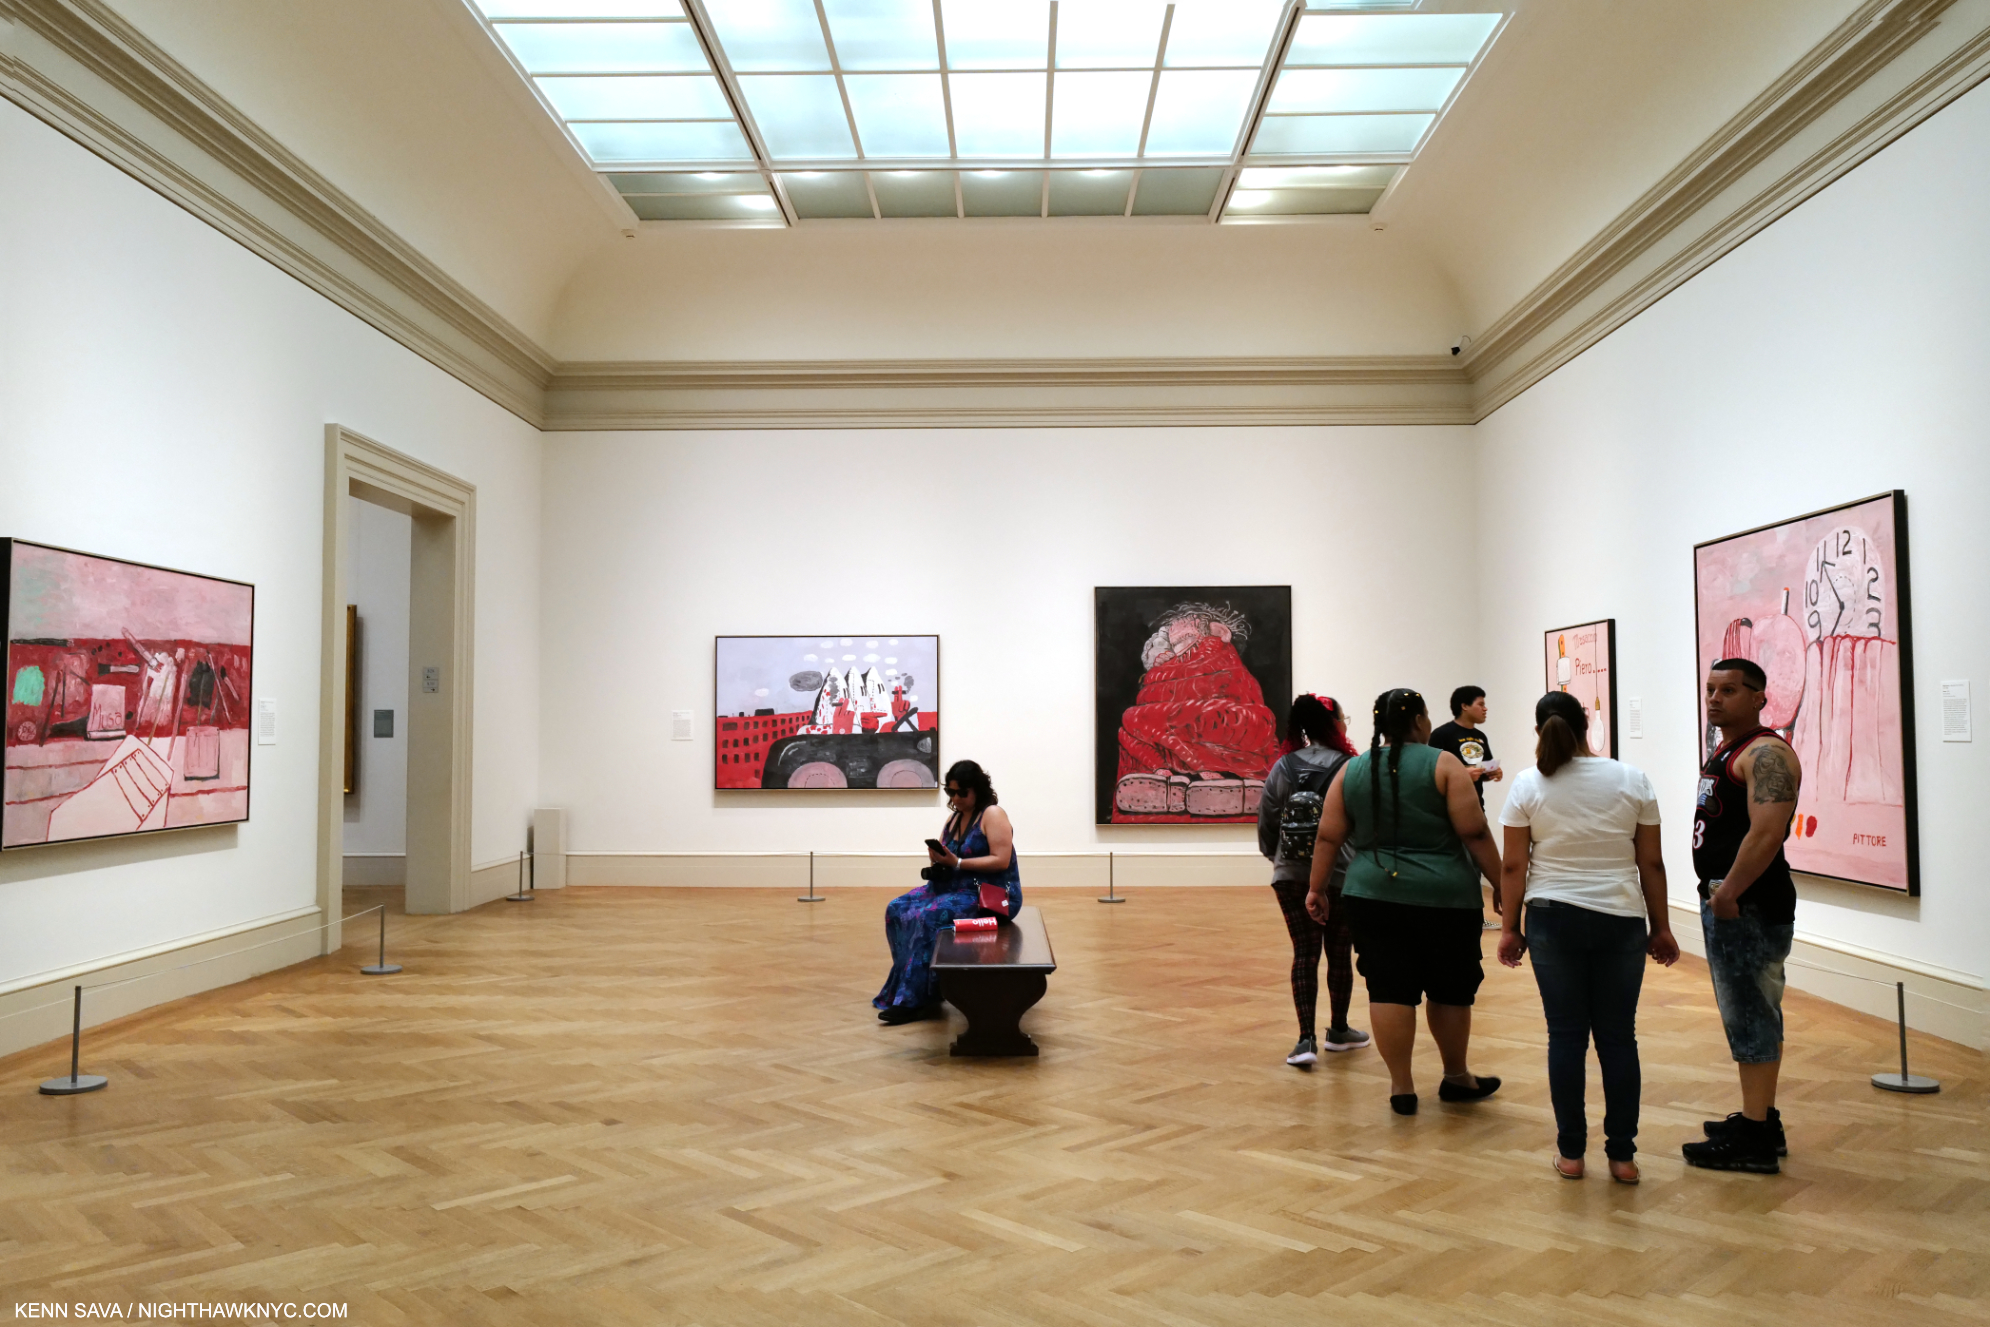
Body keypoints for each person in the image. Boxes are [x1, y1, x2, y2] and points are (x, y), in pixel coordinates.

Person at [1497, 692, 1680, 1184]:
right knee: (1619, 1037)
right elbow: (1651, 863)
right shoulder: (1631, 778)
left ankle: (1572, 1154)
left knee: (1566, 1036)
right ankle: (1622, 1157)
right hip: (1620, 919)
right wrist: (1661, 927)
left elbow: (1514, 865)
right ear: (1587, 727)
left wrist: (1510, 927)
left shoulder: (1527, 784)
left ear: (1540, 731)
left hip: (1553, 919)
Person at [1305, 688, 1503, 1115]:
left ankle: (1402, 1087)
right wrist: (1501, 883)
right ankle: (1455, 1077)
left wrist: (1316, 888)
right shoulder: (1443, 763)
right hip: (1445, 897)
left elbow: (1328, 835)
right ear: (1417, 721)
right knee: (1450, 988)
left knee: (1389, 987)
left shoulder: (1354, 769)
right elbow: (1475, 832)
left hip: (1371, 895)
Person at [1681, 658, 1801, 1174]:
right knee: (1746, 1013)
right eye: (1711, 689)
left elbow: (1767, 832)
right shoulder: (1730, 749)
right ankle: (1761, 1120)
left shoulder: (1767, 752)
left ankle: (1754, 1139)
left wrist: (1729, 892)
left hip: (1747, 906)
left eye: (1728, 690)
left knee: (1751, 1016)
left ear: (1758, 697)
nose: (1714, 698)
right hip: (1732, 903)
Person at [1257, 694, 1370, 1067]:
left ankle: (1305, 1040)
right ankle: (1338, 1030)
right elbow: (1365, 821)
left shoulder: (1283, 767)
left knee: (1304, 953)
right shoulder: (1351, 766)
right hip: (1340, 874)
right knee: (1339, 953)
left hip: (1290, 875)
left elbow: (1267, 821)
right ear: (1333, 723)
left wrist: (1280, 859)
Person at [873, 760, 1023, 1025]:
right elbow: (950, 858)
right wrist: (939, 860)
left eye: (962, 793)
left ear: (977, 789)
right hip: (954, 887)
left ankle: (917, 999)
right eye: (951, 792)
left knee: (928, 917)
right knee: (896, 908)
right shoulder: (954, 819)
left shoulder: (993, 814)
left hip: (993, 896)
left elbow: (1001, 860)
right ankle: (910, 989)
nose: (955, 798)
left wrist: (957, 863)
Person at [1429, 686, 1503, 928]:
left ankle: (1476, 916)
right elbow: (1431, 770)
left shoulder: (1480, 737)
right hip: (1446, 810)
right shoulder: (1442, 734)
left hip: (1475, 806)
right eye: (1480, 703)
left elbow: (1482, 770)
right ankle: (1447, 913)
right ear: (1464, 706)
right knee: (1452, 862)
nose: (1485, 708)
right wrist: (1463, 773)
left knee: (1476, 861)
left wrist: (1492, 773)